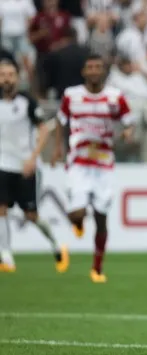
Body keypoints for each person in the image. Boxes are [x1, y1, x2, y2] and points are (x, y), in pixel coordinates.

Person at [51, 54, 135, 283]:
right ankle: (77, 222)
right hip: (78, 162)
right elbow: (60, 120)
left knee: (101, 217)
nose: (95, 71)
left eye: (99, 67)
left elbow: (129, 122)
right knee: (79, 212)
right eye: (91, 67)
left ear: (104, 72)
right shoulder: (72, 95)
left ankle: (97, 268)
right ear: (84, 72)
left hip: (104, 163)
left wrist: (128, 133)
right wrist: (58, 148)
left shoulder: (115, 97)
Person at [0, 60, 69, 273]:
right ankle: (6, 257)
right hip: (2, 164)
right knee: (0, 209)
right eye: (3, 74)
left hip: (25, 166)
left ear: (17, 78)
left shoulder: (27, 102)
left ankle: (56, 245)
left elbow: (44, 130)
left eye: (11, 74)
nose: (7, 78)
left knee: (31, 215)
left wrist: (33, 158)